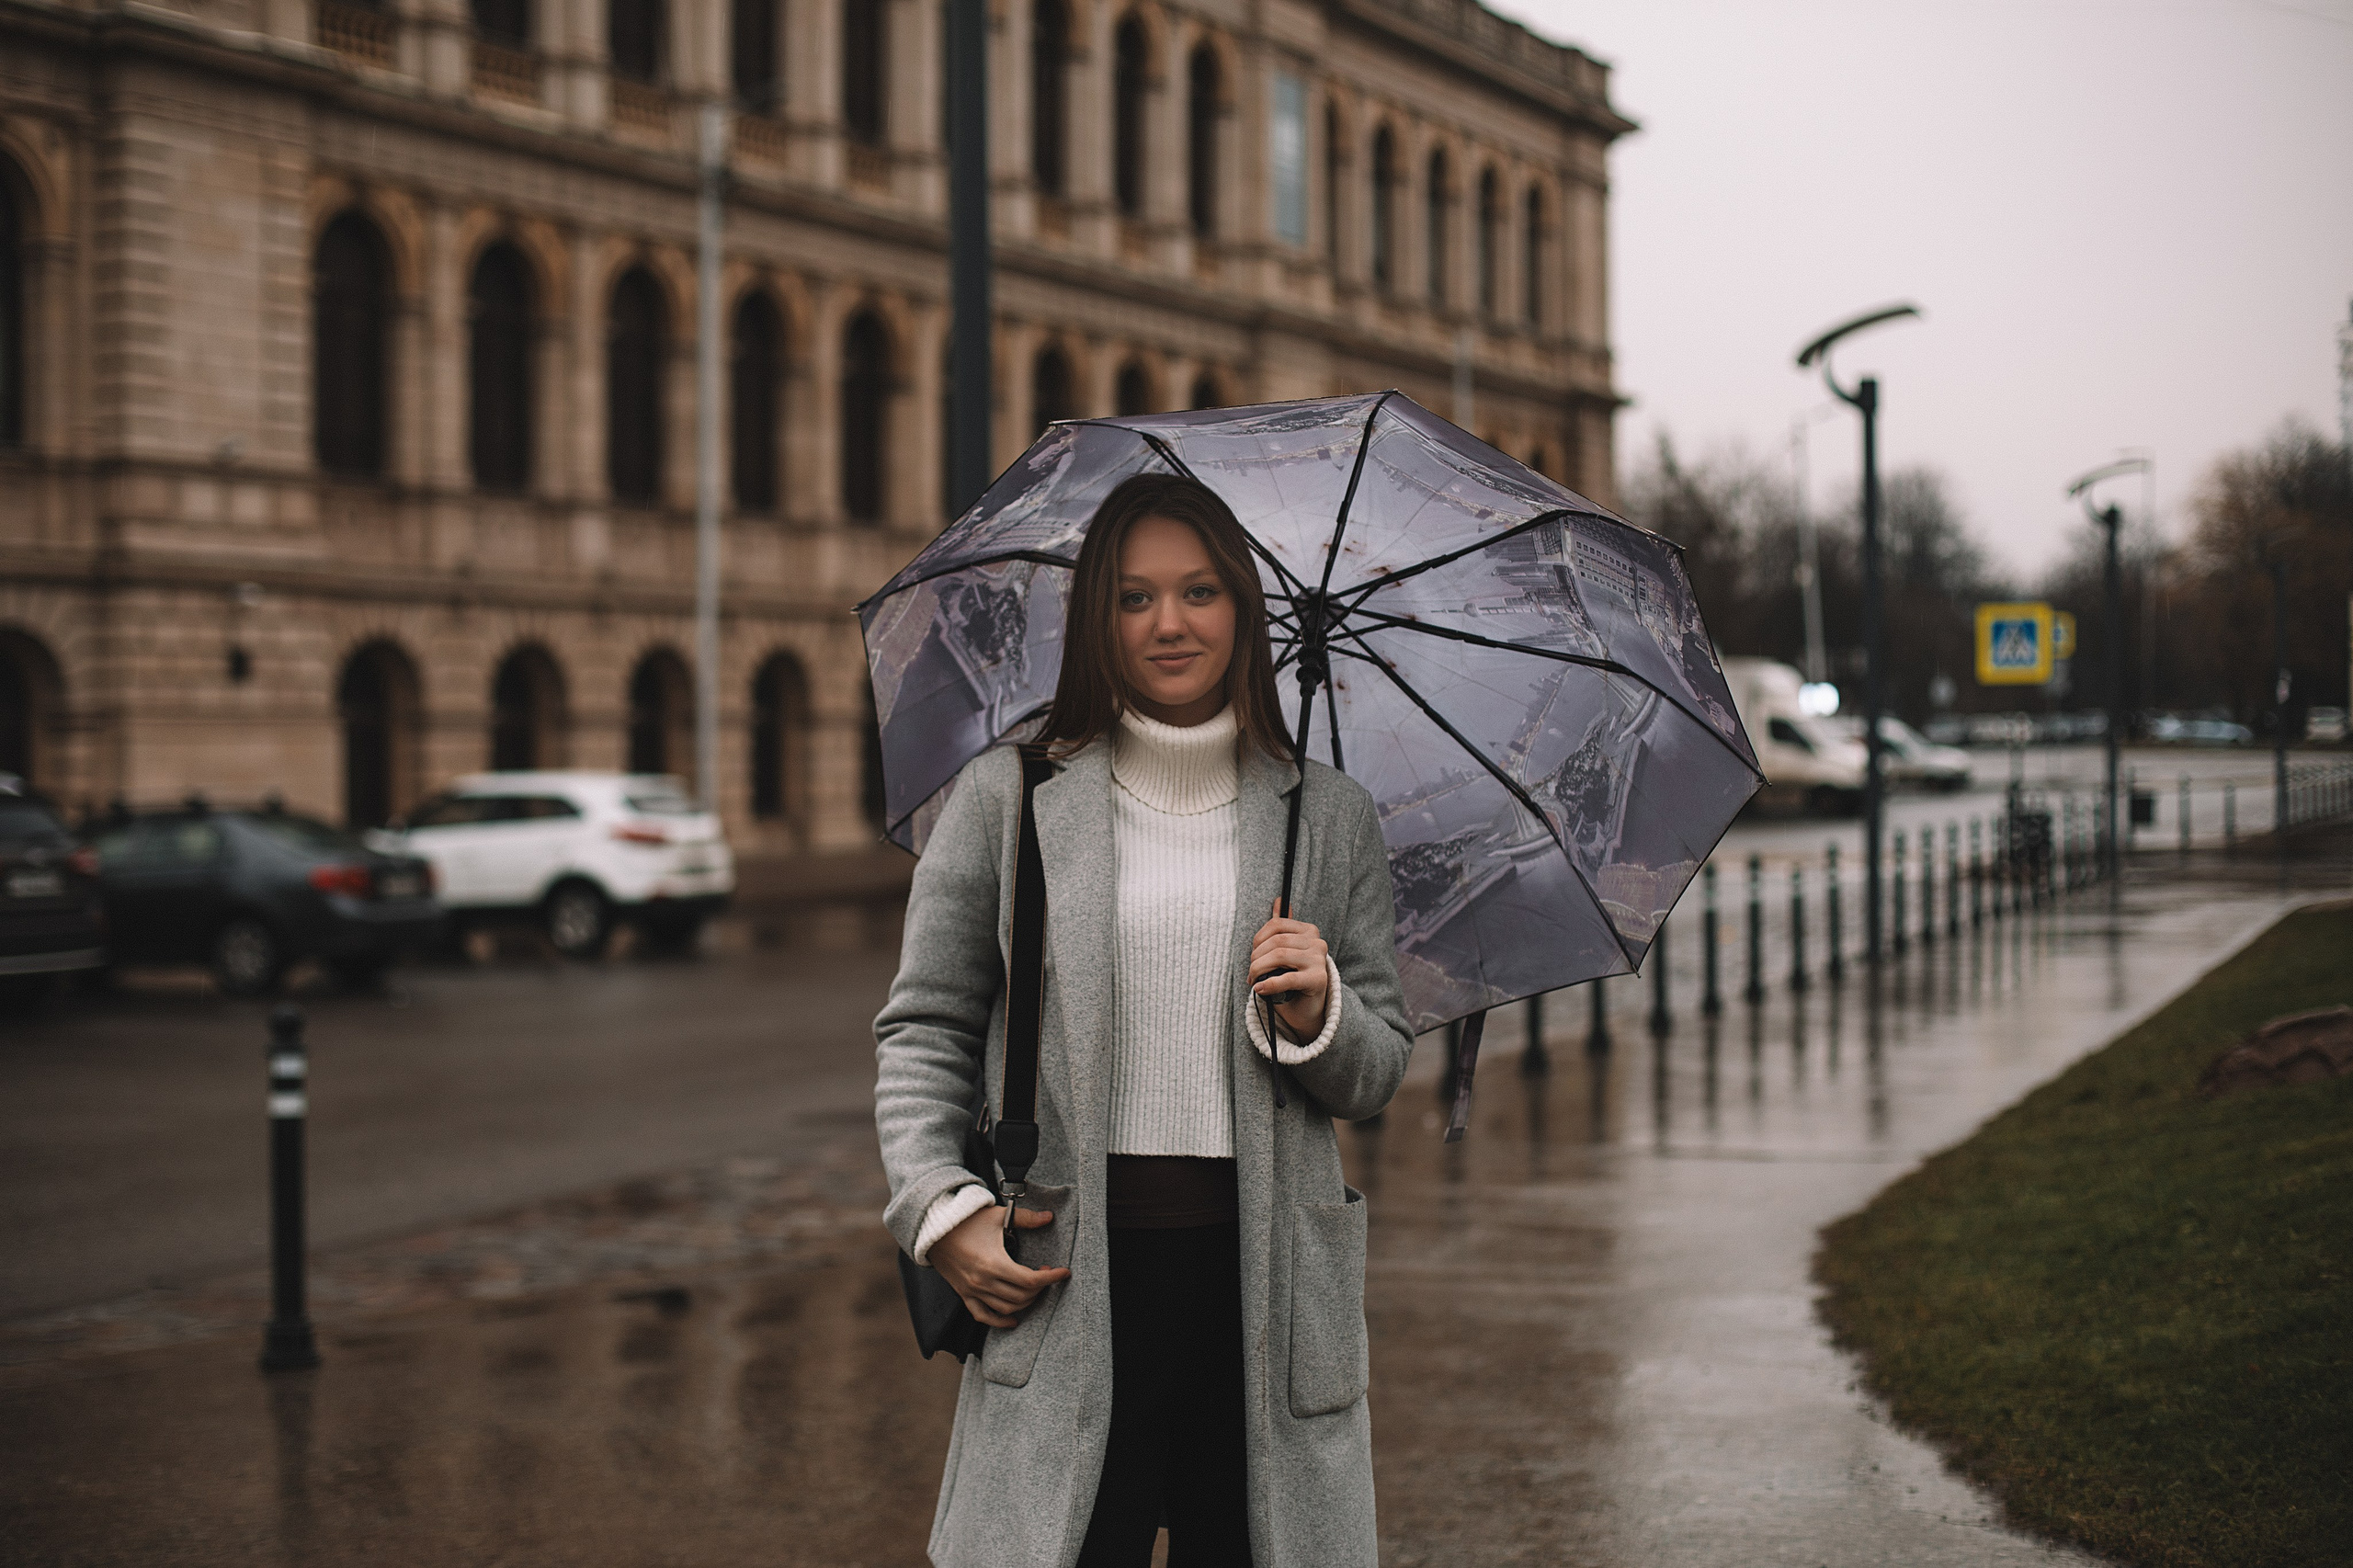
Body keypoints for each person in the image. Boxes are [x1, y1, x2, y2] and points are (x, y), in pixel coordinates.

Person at [874, 473, 1415, 1567]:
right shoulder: (1009, 796)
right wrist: (941, 1207)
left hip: (1262, 1296)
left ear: (1244, 609)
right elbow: (925, 1027)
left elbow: (1377, 1070)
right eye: (1133, 597)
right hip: (1067, 1277)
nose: (1169, 622)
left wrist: (1323, 1011)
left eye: (1200, 590)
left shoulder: (1329, 816)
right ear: (1096, 621)